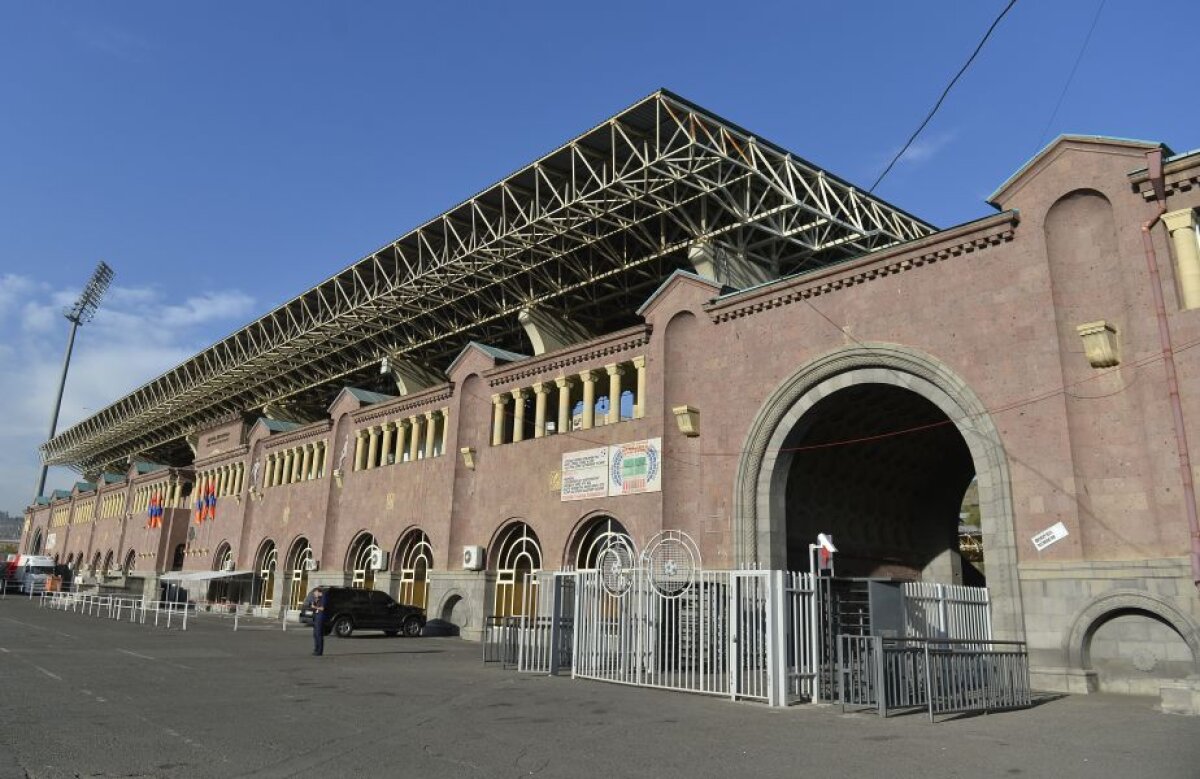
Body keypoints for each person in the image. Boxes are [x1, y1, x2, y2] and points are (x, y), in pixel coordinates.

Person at [311, 586, 327, 656]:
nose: (314, 594)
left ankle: (319, 651)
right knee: (315, 634)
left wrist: (315, 607)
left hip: (320, 618)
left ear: (318, 592)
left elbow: (322, 608)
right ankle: (316, 649)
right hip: (316, 617)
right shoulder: (318, 599)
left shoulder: (324, 598)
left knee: (319, 634)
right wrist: (315, 601)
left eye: (315, 593)